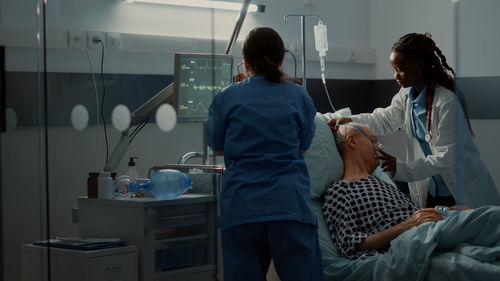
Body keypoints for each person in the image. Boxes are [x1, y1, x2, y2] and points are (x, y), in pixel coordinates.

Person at [206, 27, 324, 281]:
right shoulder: (299, 96)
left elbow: (217, 147)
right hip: (289, 208)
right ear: (282, 59)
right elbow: (302, 147)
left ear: (245, 60)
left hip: (242, 209)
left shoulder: (227, 97)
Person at [328, 33, 499, 208]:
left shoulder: (446, 102)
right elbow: (384, 119)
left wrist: (400, 168)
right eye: (394, 69)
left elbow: (445, 158)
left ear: (419, 66)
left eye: (400, 69)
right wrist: (350, 119)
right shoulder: (406, 96)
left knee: (473, 232)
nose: (396, 76)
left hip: (462, 188)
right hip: (432, 189)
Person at [322, 122, 464, 259]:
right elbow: (349, 245)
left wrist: (446, 211)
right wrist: (407, 226)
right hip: (412, 244)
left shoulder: (384, 184)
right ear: (352, 142)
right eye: (373, 140)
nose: (379, 147)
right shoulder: (340, 190)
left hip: (434, 232)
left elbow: (415, 216)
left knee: (471, 214)